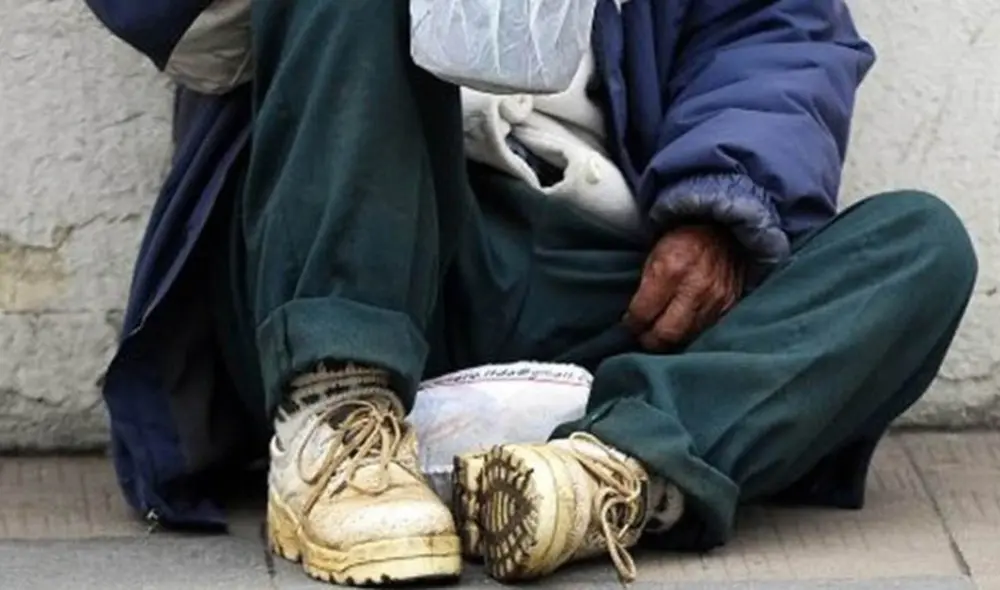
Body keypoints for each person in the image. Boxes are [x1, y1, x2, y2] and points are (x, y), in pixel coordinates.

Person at [85, 0, 977, 586]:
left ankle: (607, 476)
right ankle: (338, 416)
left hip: (604, 294)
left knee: (920, 248)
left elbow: (777, 30)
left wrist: (719, 208)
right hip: (353, 256)